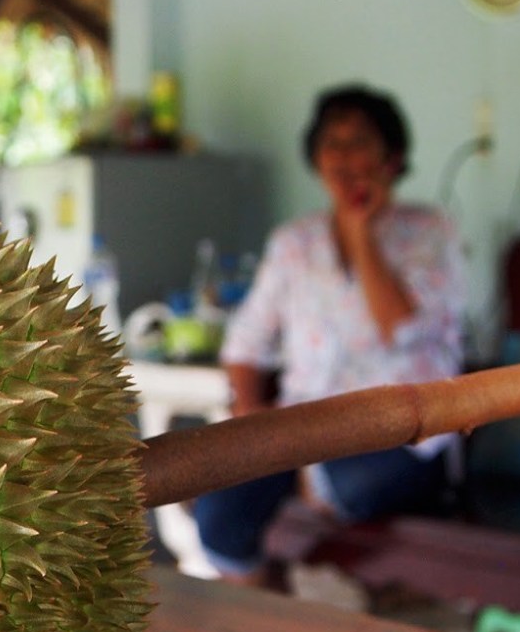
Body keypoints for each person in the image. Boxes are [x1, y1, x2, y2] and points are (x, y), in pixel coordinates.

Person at [192, 83, 466, 589]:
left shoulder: (430, 232)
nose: (343, 155)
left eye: (359, 140)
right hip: (303, 431)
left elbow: (398, 324)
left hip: (407, 435)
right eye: (331, 143)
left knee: (348, 484)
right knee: (218, 514)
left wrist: (359, 231)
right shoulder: (294, 243)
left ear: (393, 157)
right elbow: (244, 344)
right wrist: (250, 421)